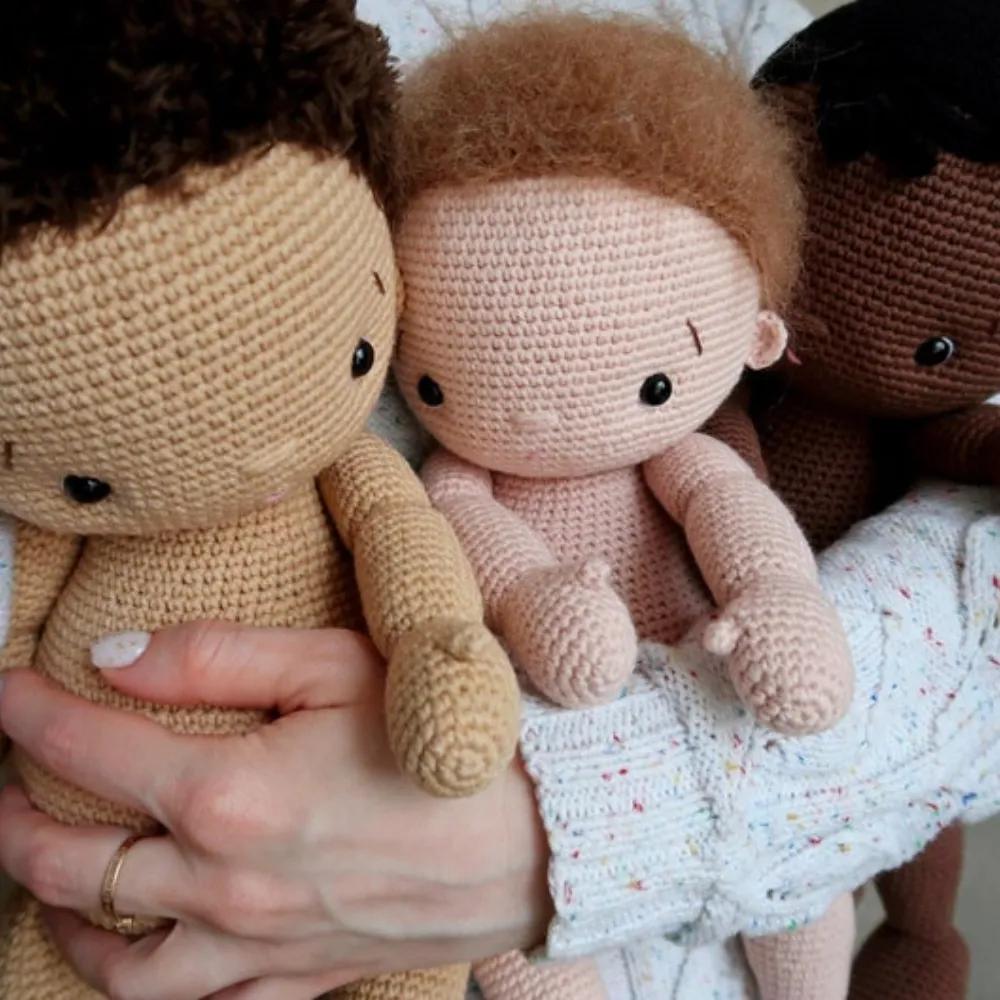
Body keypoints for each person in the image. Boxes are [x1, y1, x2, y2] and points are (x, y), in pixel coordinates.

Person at [0, 3, 997, 999]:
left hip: (728, 819)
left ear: (761, 331)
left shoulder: (776, 64)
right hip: (89, 880)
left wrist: (581, 808)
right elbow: (463, 544)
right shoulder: (449, 484)